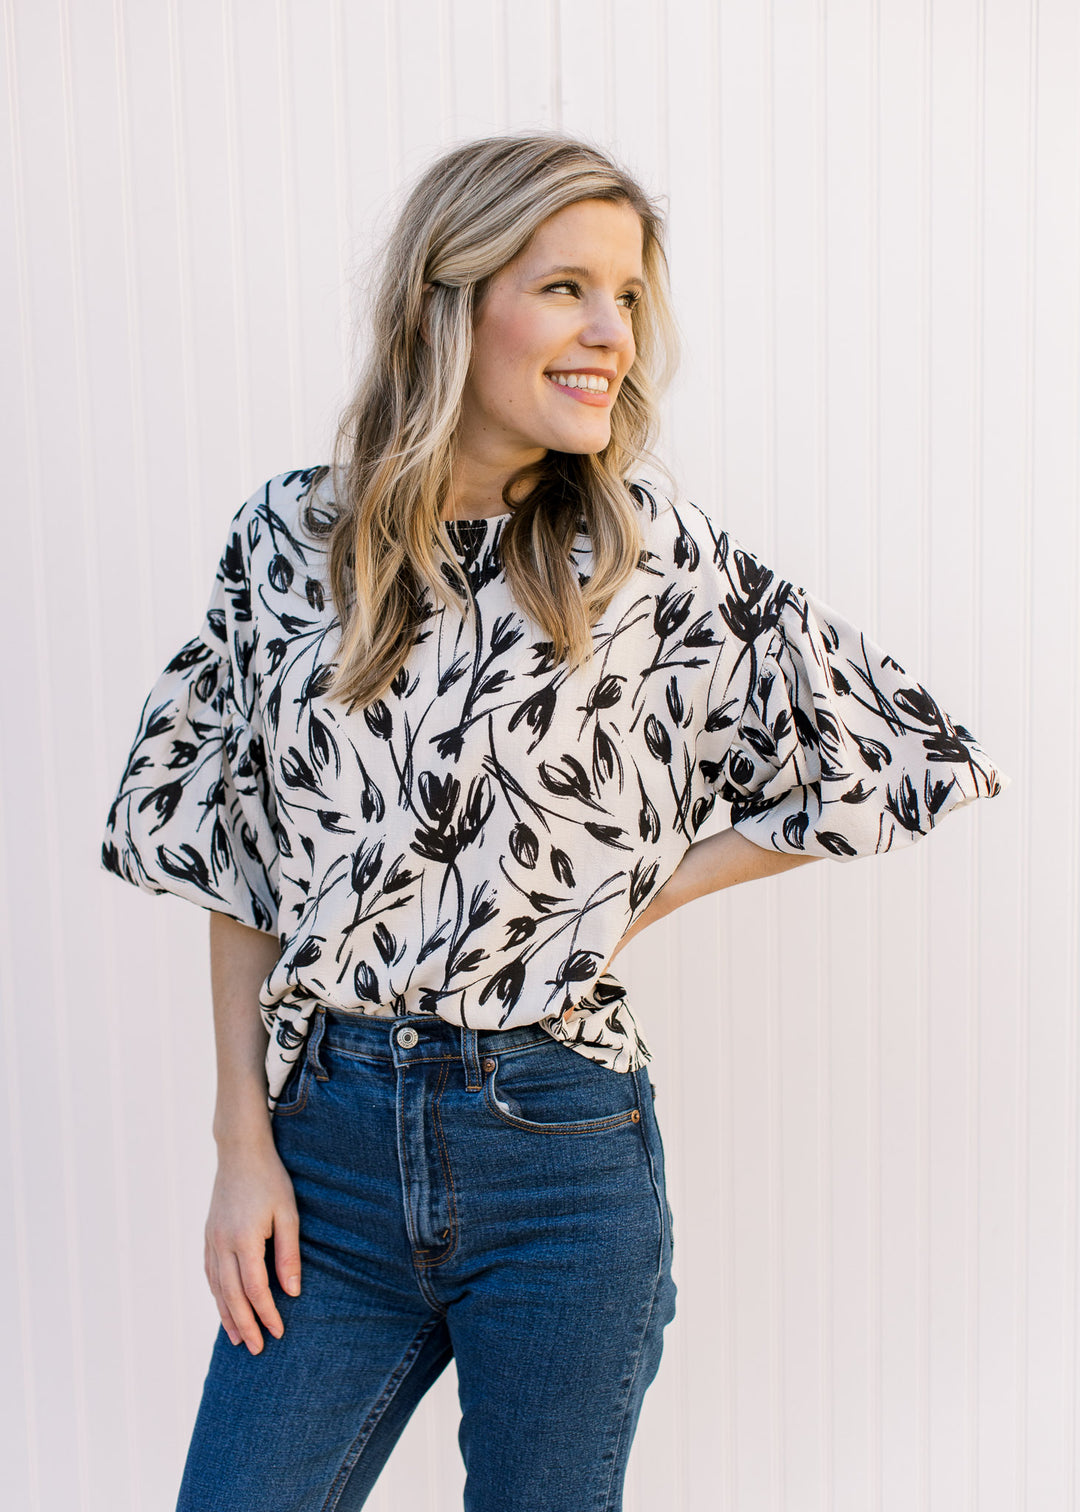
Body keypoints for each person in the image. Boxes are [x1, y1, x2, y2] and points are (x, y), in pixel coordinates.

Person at [100, 131, 1009, 1512]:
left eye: (629, 298)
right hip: (323, 1157)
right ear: (449, 303)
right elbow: (233, 850)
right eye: (569, 288)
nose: (611, 333)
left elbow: (905, 754)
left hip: (560, 1159)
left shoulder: (649, 559)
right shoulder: (292, 542)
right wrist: (241, 1144)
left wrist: (634, 892)